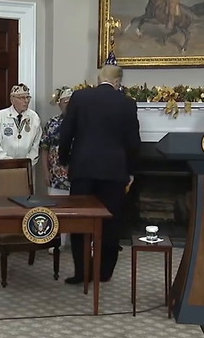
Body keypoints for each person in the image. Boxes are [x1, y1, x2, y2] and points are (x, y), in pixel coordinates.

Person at [59, 65, 141, 284]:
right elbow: (133, 142)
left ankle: (82, 272)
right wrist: (131, 171)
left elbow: (66, 132)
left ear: (99, 79)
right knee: (110, 223)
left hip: (83, 170)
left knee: (81, 221)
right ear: (117, 82)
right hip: (114, 173)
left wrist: (64, 160)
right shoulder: (127, 103)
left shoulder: (80, 97)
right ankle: (104, 273)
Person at [40, 86, 74, 253]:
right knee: (55, 210)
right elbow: (44, 148)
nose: (68, 104)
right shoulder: (52, 123)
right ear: (59, 103)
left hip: (77, 176)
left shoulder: (82, 122)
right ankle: (56, 242)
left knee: (75, 211)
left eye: (71, 101)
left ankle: (75, 243)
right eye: (65, 101)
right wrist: (45, 172)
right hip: (56, 176)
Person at [0, 83, 42, 165]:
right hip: (4, 165)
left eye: (28, 97)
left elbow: (36, 145)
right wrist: (10, 162)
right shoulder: (1, 116)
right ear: (12, 99)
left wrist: (26, 162)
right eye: (22, 98)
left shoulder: (34, 117)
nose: (26, 101)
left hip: (26, 166)